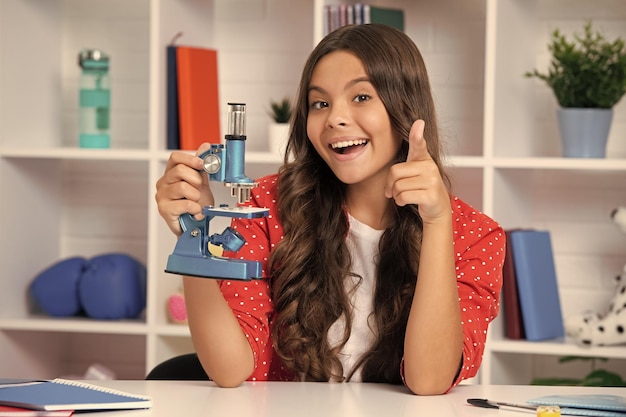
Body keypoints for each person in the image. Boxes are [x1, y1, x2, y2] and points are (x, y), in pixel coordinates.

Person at [155, 23, 505, 395]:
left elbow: (430, 381)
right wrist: (194, 236)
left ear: (406, 107)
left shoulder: (475, 235)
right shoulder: (266, 206)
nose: (335, 118)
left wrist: (435, 222)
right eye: (320, 103)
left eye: (361, 97)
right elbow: (231, 369)